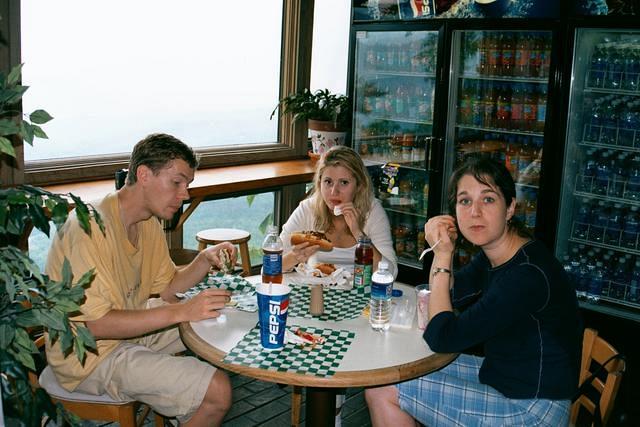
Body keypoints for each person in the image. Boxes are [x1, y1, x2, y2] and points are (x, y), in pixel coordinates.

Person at [365, 157, 582, 426]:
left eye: (488, 199)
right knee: (389, 374)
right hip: (503, 376)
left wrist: (442, 255)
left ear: (510, 207)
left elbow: (442, 336)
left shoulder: (525, 275)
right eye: (465, 201)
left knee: (384, 389)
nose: (475, 212)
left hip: (534, 409)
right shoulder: (497, 252)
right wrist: (443, 251)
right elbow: (449, 296)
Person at [45, 133, 235, 426]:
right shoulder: (87, 228)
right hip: (87, 356)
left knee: (220, 320)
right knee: (218, 392)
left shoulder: (147, 223)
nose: (185, 194)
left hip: (125, 332)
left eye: (188, 185)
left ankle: (182, 403)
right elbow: (95, 325)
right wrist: (182, 311)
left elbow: (168, 288)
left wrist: (203, 260)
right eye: (177, 182)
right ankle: (193, 401)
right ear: (144, 174)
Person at [280, 145, 397, 278]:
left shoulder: (372, 211)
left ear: (359, 186)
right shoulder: (307, 209)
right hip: (316, 295)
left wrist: (359, 234)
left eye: (344, 182)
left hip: (360, 296)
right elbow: (268, 269)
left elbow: (391, 273)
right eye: (328, 182)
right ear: (319, 183)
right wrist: (295, 257)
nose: (334, 191)